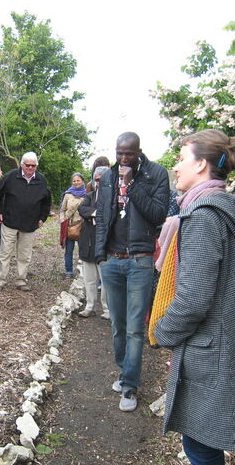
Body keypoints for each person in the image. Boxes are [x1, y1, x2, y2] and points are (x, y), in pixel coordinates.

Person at [153, 129, 235, 465]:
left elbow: (193, 299)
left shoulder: (203, 217)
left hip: (208, 350)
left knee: (200, 448)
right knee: (202, 445)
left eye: (181, 159)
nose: (175, 167)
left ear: (201, 164)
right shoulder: (221, 208)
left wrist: (162, 331)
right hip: (218, 345)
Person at [95, 132, 169, 411]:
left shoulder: (156, 174)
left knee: (136, 328)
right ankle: (124, 369)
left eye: (129, 154)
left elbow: (158, 214)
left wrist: (132, 185)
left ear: (139, 152)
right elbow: (103, 217)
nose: (124, 159)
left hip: (140, 260)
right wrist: (100, 256)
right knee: (118, 325)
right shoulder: (108, 177)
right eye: (120, 153)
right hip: (112, 260)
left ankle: (129, 386)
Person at [0, 151, 52, 292]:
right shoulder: (10, 176)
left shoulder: (41, 180)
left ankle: (21, 280)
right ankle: (0, 281)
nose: (30, 168)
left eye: (33, 165)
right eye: (27, 165)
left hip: (29, 224)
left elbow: (46, 201)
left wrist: (42, 218)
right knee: (5, 253)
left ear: (36, 166)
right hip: (10, 221)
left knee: (24, 255)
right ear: (22, 165)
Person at [77, 166, 110, 319]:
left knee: (106, 280)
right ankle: (89, 307)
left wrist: (95, 214)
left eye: (102, 180)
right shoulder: (89, 196)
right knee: (89, 279)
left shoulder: (114, 197)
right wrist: (95, 213)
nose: (99, 183)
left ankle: (107, 309)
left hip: (105, 246)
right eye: (96, 180)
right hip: (88, 244)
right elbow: (82, 209)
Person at [59, 173, 86, 278]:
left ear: (82, 181)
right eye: (74, 181)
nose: (76, 182)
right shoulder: (68, 194)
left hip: (82, 226)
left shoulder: (87, 194)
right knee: (69, 250)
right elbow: (62, 209)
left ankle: (82, 271)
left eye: (78, 180)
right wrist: (63, 220)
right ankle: (68, 271)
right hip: (70, 226)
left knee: (83, 250)